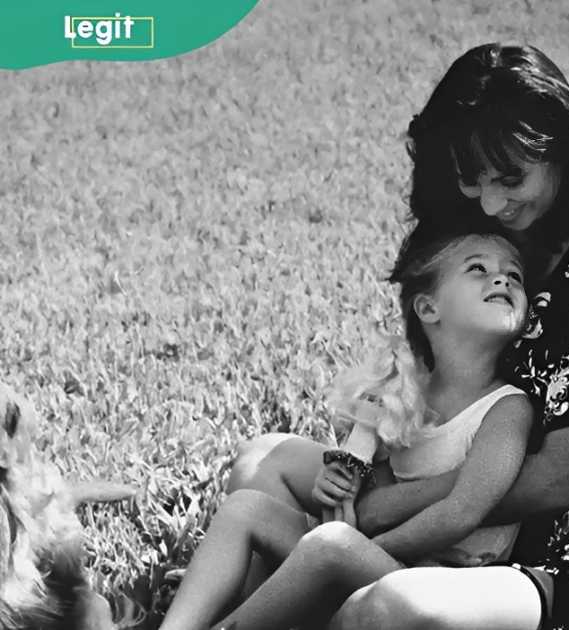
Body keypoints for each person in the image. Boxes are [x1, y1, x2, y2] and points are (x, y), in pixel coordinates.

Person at [229, 43, 569, 630]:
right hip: (476, 525)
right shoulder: (501, 245)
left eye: (510, 178)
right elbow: (431, 379)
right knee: (261, 462)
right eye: (470, 179)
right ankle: (259, 608)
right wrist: (363, 462)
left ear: (561, 145)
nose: (491, 202)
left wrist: (382, 509)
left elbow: (554, 483)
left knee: (385, 607)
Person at [160, 230, 534, 630]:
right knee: (244, 507)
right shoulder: (404, 391)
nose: (503, 280)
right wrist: (337, 488)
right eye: (479, 269)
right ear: (428, 308)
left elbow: (461, 513)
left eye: (515, 276)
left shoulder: (507, 408)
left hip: (438, 585)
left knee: (329, 543)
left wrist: (355, 546)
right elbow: (381, 482)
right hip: (379, 559)